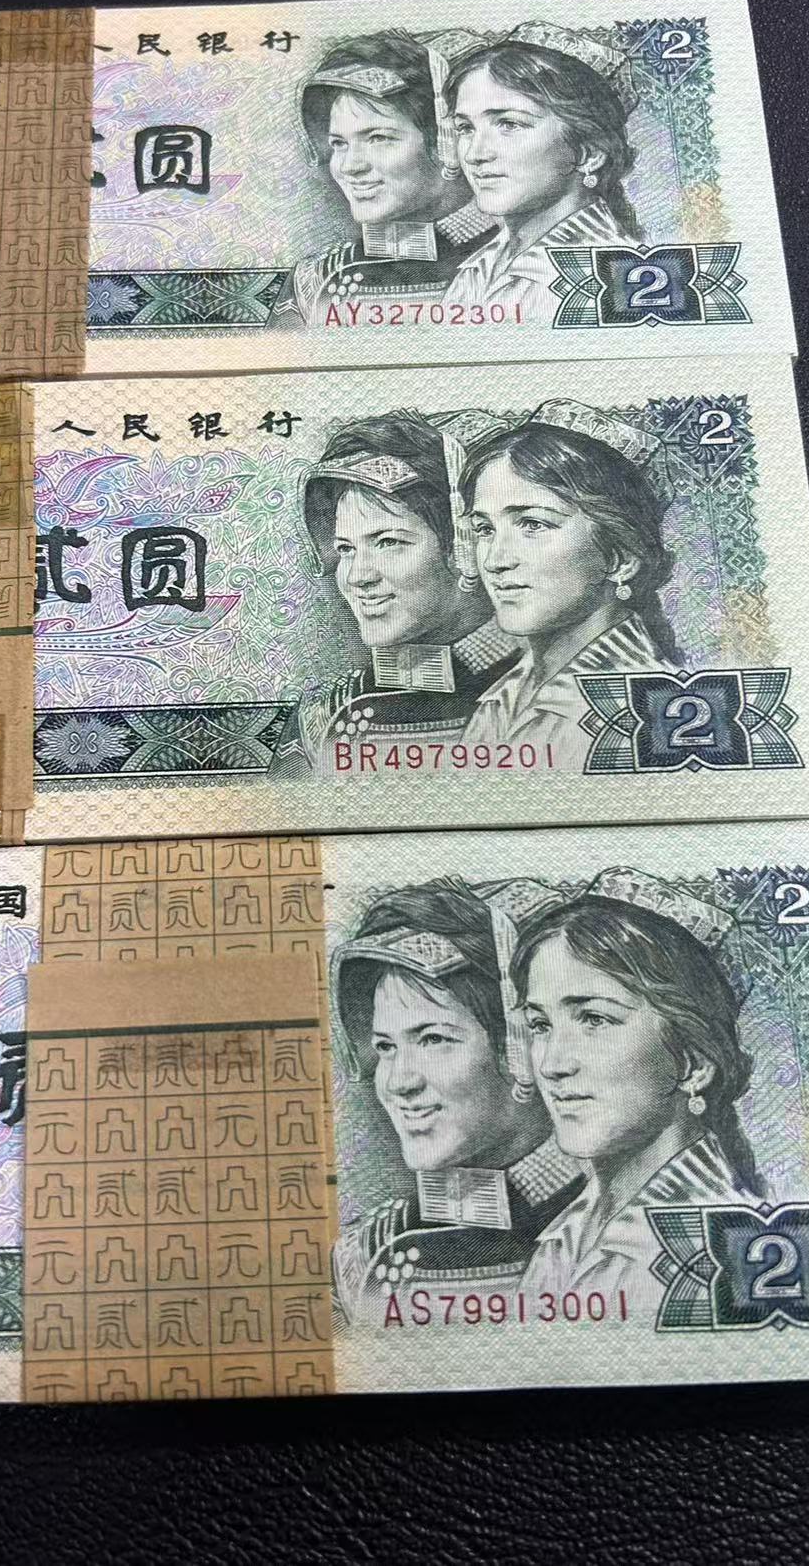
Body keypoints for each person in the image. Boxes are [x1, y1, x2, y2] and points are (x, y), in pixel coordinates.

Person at [330, 876, 585, 1327]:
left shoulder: (617, 1222)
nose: (399, 1082)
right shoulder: (365, 1251)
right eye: (386, 1047)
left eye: (433, 1039)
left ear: (524, 1045)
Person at [509, 867, 762, 1302]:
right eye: (540, 1025)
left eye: (594, 1019)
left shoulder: (723, 1246)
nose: (551, 1065)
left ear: (694, 1062)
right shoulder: (566, 1234)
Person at [275, 409, 517, 772]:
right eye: (346, 549)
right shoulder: (324, 715)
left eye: (387, 542)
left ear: (462, 547)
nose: (357, 576)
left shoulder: (548, 688)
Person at [458, 397, 677, 767]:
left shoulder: (646, 708)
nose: (495, 561)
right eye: (485, 529)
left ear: (620, 558)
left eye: (533, 524)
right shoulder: (504, 695)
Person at [274, 29, 499, 326]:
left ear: (447, 142)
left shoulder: (520, 260)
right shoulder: (316, 279)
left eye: (378, 138)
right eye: (339, 143)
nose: (349, 166)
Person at [441, 22, 641, 322]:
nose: (474, 154)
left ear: (589, 153)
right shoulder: (479, 268)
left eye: (509, 124)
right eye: (466, 128)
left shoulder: (614, 277)